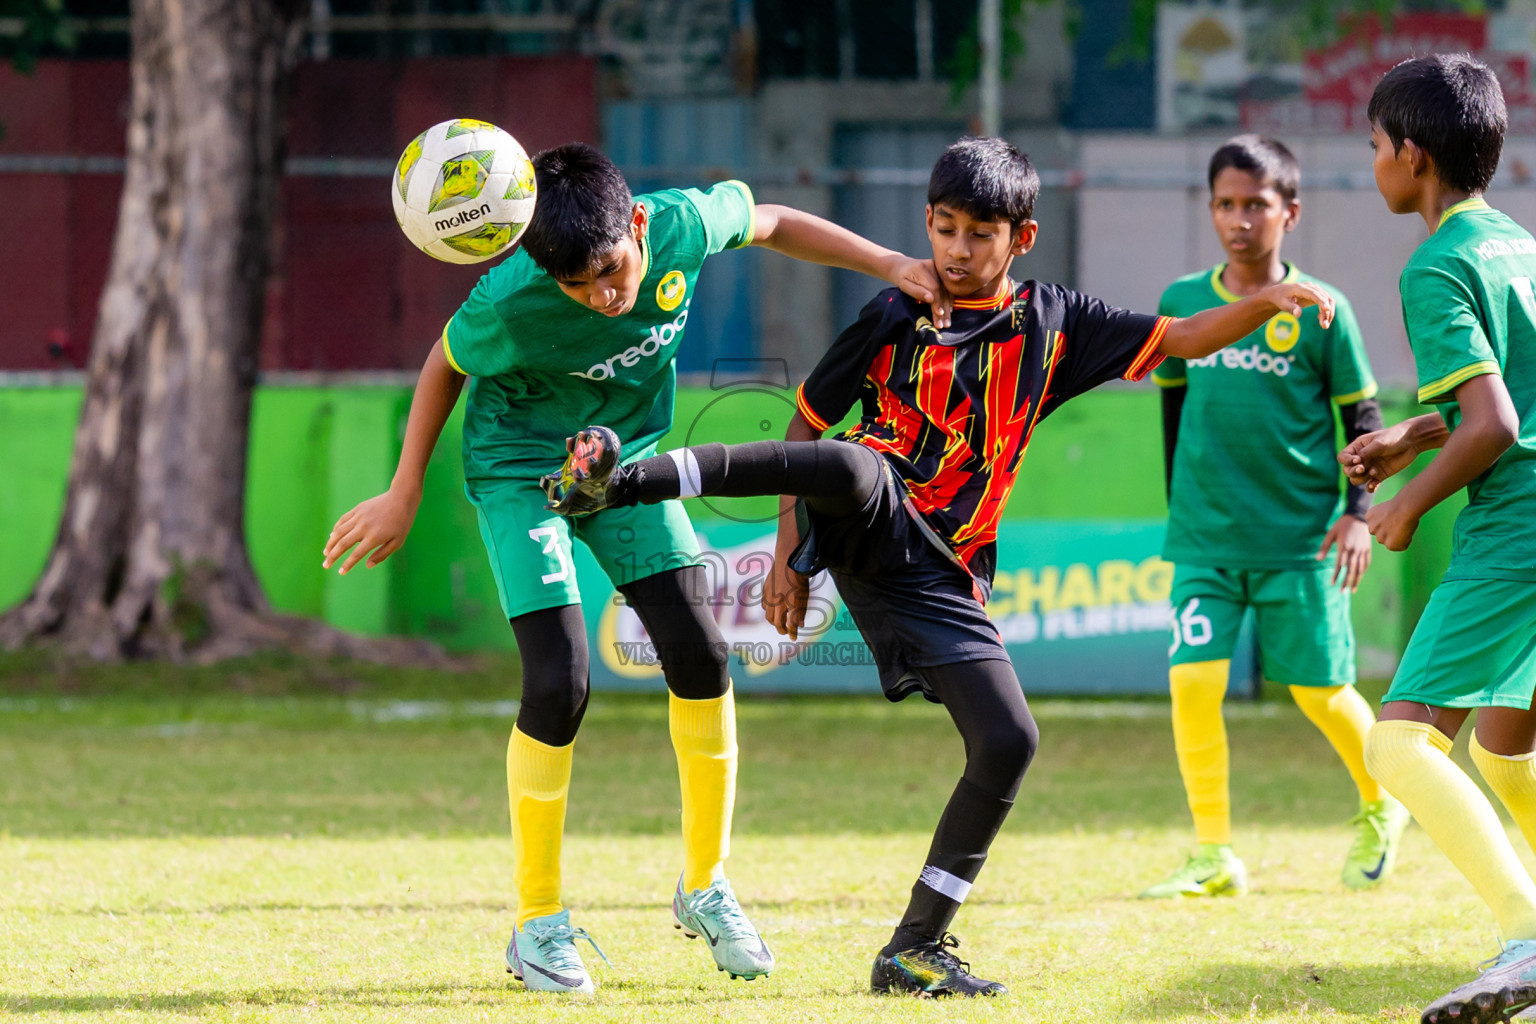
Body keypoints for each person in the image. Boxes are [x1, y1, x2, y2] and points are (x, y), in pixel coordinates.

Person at [542, 136, 1336, 997]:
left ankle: (914, 947)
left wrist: (1267, 303)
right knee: (851, 463)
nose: (958, 250)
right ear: (926, 221)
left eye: (980, 233)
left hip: (944, 567)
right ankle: (615, 484)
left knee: (1008, 741)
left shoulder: (1056, 323)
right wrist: (786, 559)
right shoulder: (894, 312)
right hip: (868, 514)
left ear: (1020, 238)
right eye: (946, 228)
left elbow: (1180, 338)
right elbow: (803, 429)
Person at [321, 142, 952, 995]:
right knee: (561, 679)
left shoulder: (683, 222)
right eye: (578, 288)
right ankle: (537, 924)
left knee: (700, 655)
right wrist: (403, 491)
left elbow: (769, 219)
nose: (602, 296)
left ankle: (707, 886)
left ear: (638, 226)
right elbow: (445, 364)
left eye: (611, 272)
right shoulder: (509, 299)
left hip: (627, 467)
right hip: (523, 473)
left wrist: (886, 260)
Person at [1140, 134, 1408, 899]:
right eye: (1225, 204)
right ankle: (1213, 853)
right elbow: (1172, 409)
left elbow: (1363, 418)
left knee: (1321, 693)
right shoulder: (1182, 303)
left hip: (1301, 539)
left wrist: (1358, 514)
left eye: (1255, 205)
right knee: (1192, 685)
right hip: (1205, 538)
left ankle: (1382, 801)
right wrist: (1181, 506)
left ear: (1289, 212)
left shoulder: (1325, 309)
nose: (1238, 220)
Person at [1341, 55, 1536, 1024]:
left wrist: (1411, 500)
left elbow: (1496, 424)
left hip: (1521, 521)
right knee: (1506, 747)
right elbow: (1502, 394)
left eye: (1376, 145)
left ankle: (1525, 934)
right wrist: (1414, 432)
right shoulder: (1518, 245)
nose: (1372, 161)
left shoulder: (1438, 261)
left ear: (1412, 155)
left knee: (1400, 740)